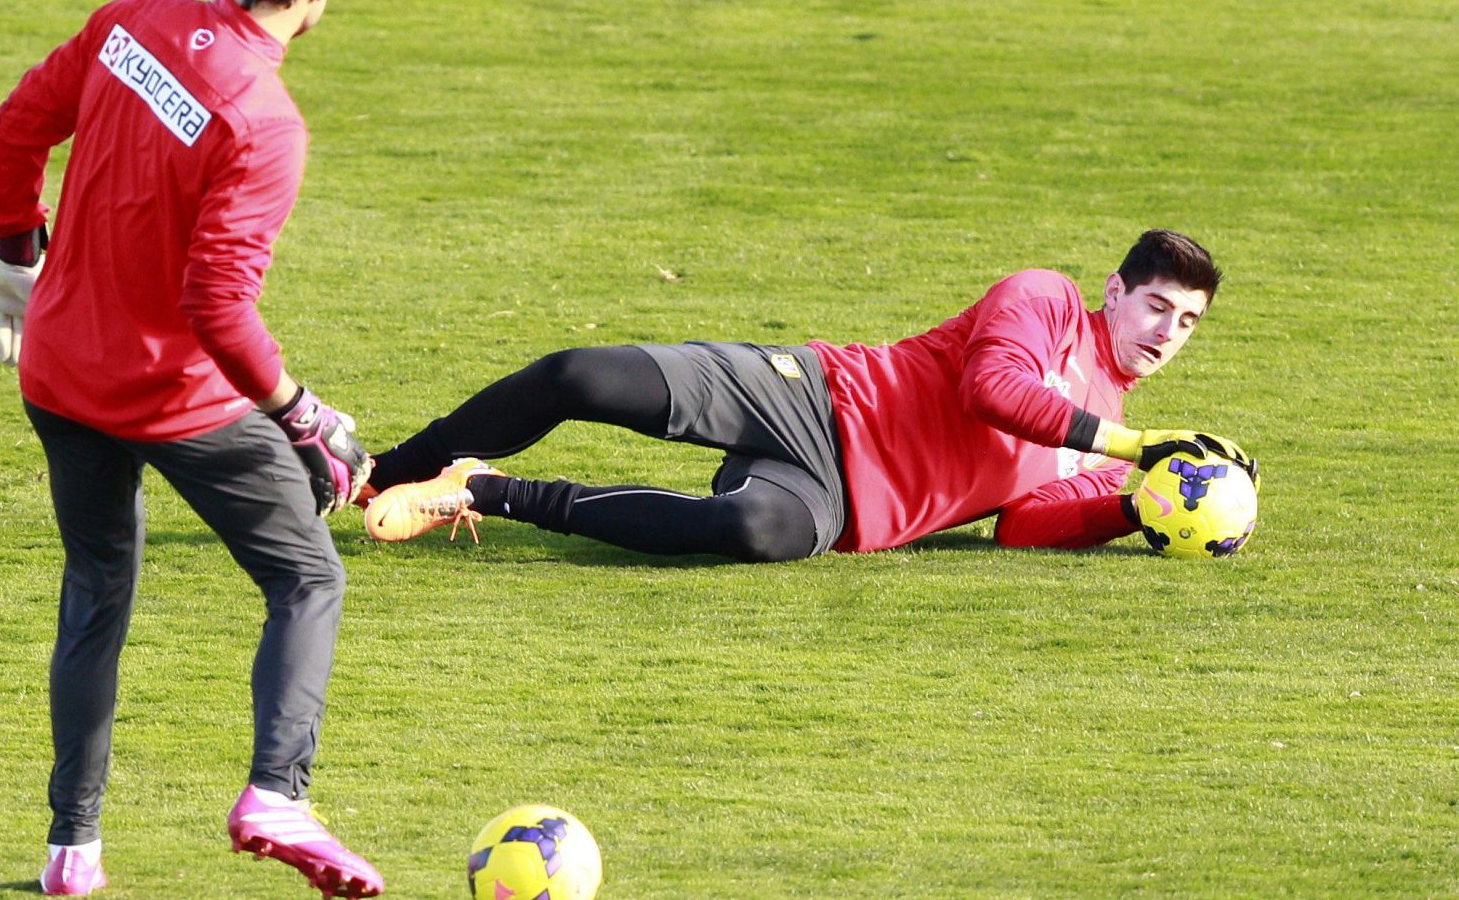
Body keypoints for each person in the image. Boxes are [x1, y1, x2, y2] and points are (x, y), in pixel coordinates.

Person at [0, 0, 381, 900]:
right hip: (176, 400)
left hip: (61, 374)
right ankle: (275, 793)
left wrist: (18, 250)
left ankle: (72, 850)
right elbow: (217, 306)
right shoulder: (265, 119)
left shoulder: (133, 21)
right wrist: (303, 415)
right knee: (307, 578)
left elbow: (15, 127)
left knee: (97, 593)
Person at [360, 229, 1256, 561]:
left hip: (839, 506)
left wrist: (1146, 506)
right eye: (1157, 307)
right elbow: (993, 387)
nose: (1166, 332)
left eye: (1187, 323)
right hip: (819, 396)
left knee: (748, 533)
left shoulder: (1117, 448)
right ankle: (374, 472)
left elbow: (1021, 524)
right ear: (1114, 291)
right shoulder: (1047, 299)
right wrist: (1132, 449)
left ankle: (479, 491)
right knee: (579, 377)